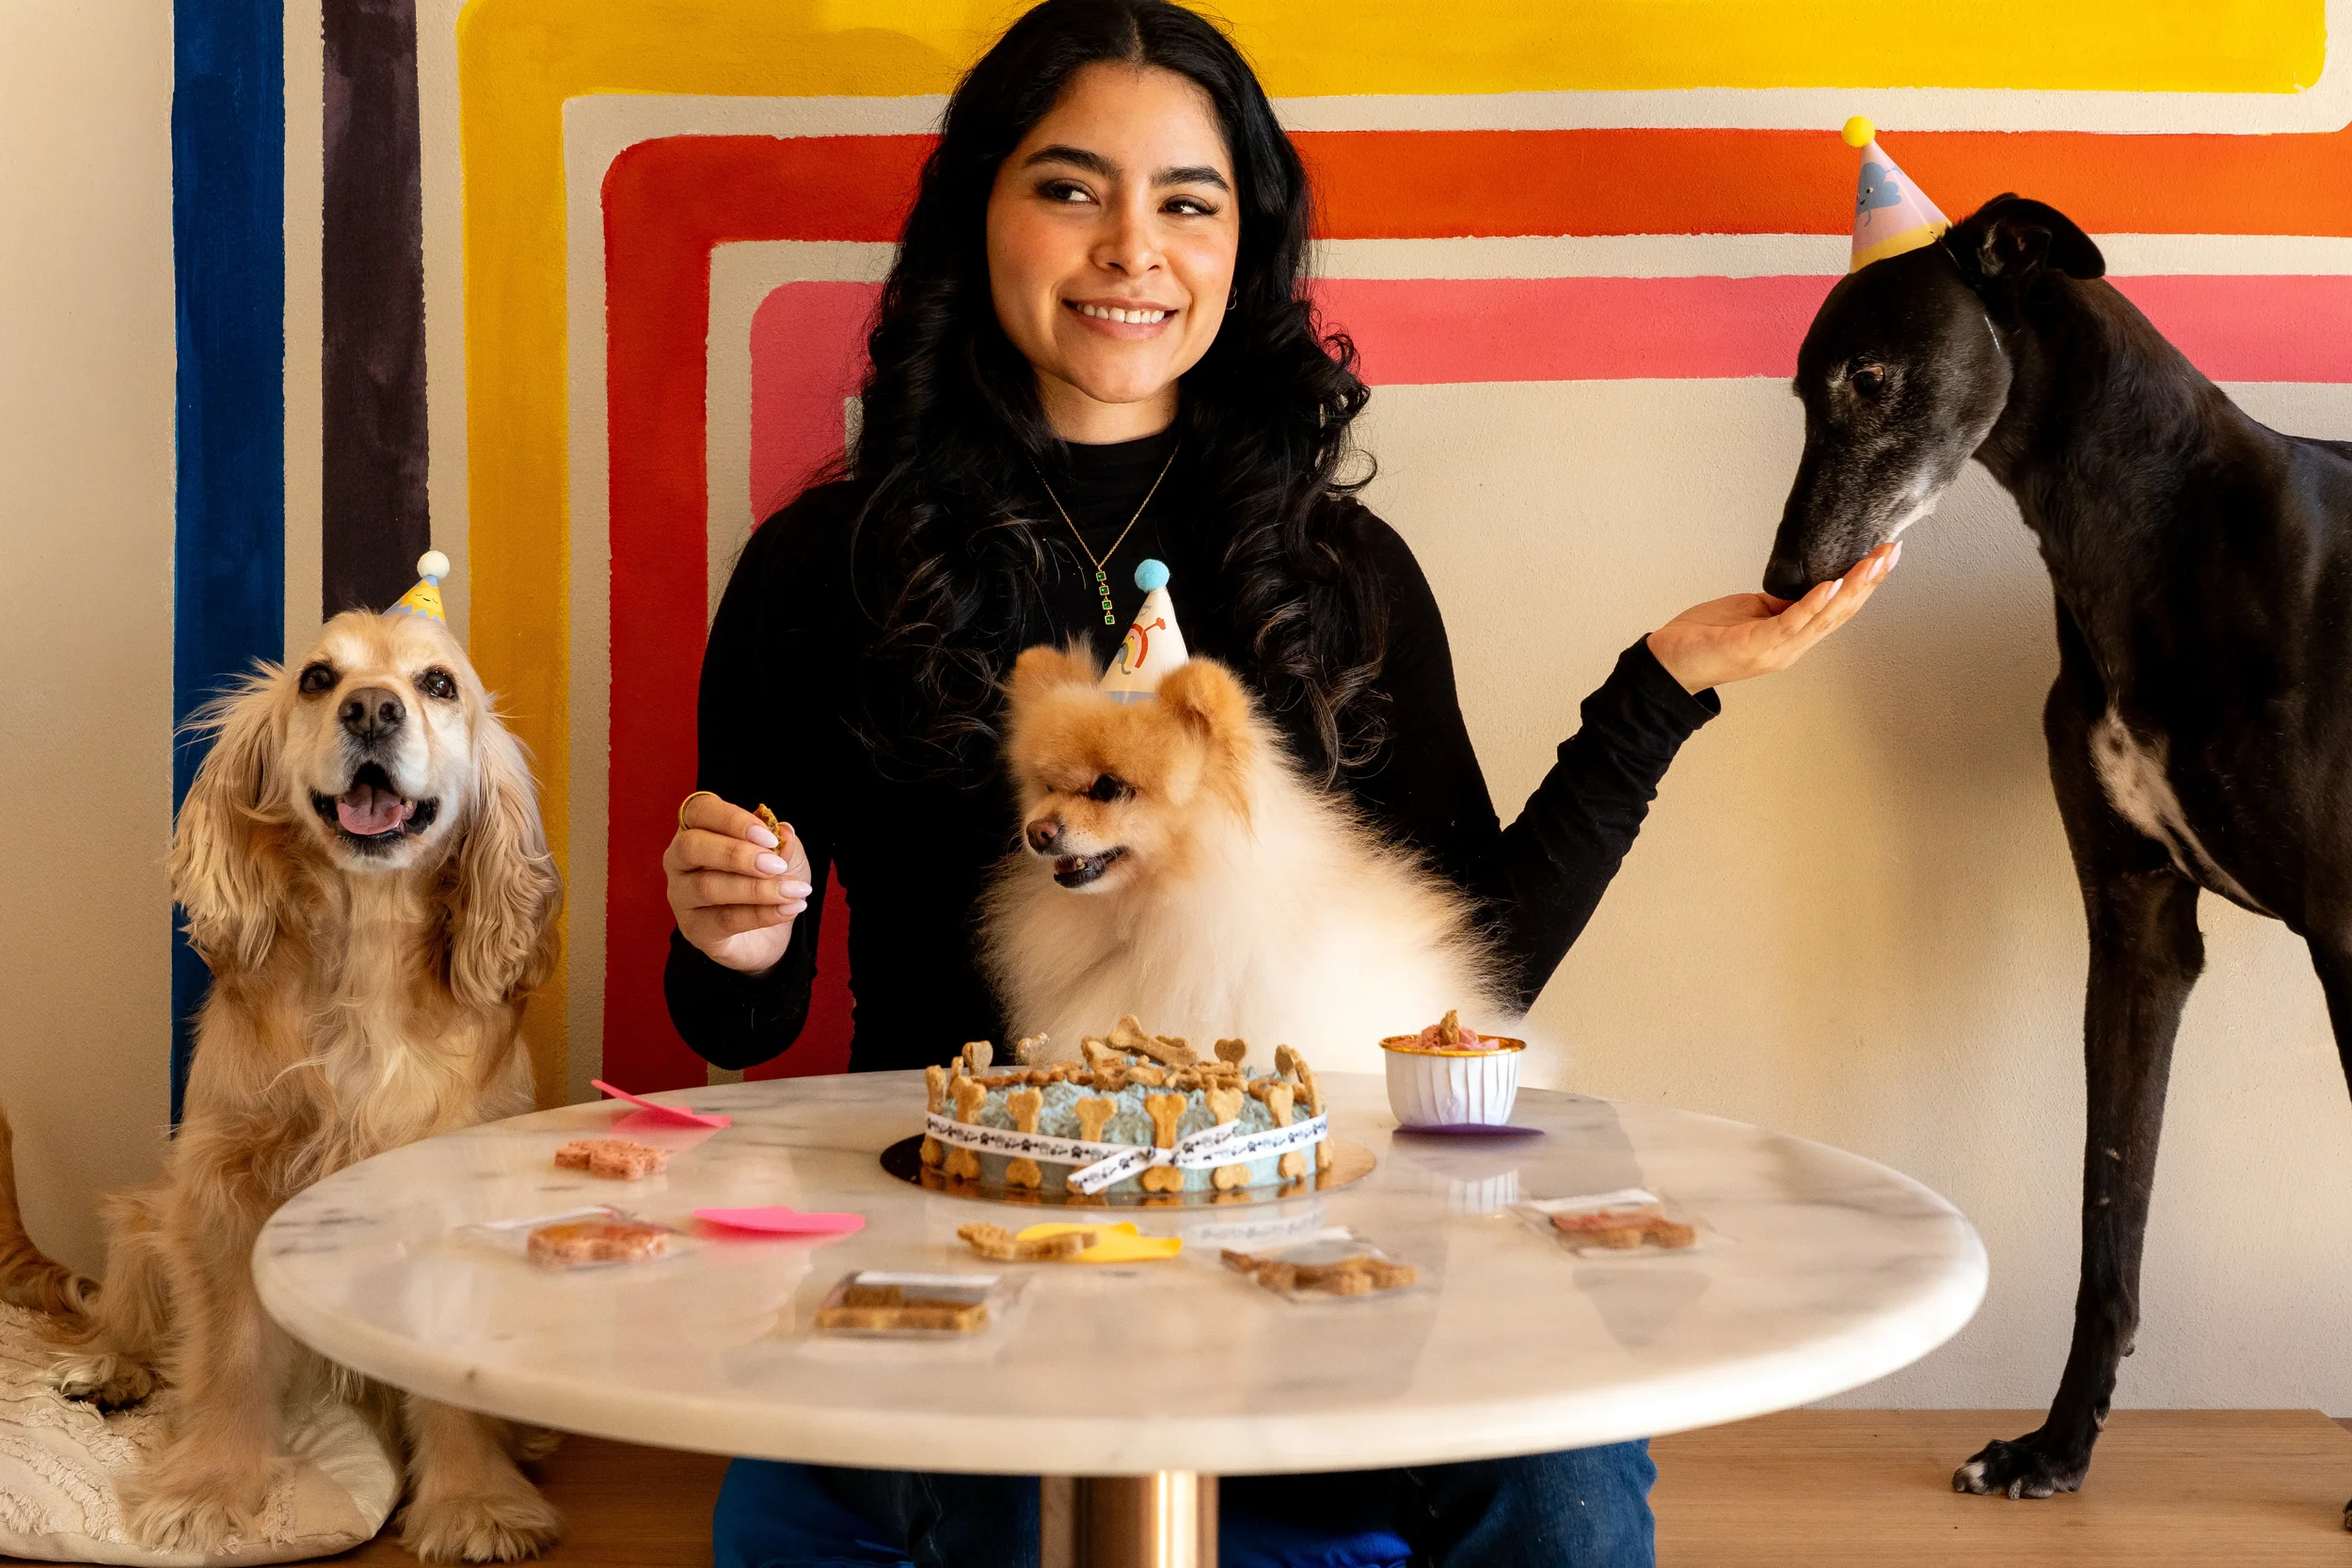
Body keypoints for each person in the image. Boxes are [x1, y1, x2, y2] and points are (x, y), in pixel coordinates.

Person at [662, 3, 1896, 1563]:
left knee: (1565, 1488)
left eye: (1187, 201)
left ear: (1244, 245)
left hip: (1307, 1221)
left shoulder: (1337, 576)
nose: (1132, 246)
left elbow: (1464, 979)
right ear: (979, 208)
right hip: (946, 1220)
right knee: (796, 1526)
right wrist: (735, 940)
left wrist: (1656, 694)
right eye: (1070, 187)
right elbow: (733, 1022)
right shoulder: (817, 572)